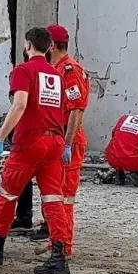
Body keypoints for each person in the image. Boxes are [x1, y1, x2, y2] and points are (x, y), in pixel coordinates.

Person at [0, 27, 73, 274]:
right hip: (55, 142)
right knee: (53, 199)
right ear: (50, 46)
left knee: (8, 194)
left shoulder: (23, 71)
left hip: (31, 142)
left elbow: (19, 105)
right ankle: (58, 257)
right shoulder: (57, 75)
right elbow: (63, 112)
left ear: (28, 45)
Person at [48, 24, 89, 255]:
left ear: (51, 45)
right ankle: (58, 241)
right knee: (56, 194)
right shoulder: (59, 69)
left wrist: (67, 143)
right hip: (60, 136)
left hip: (67, 137)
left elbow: (76, 109)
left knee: (64, 197)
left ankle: (64, 246)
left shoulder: (69, 71)